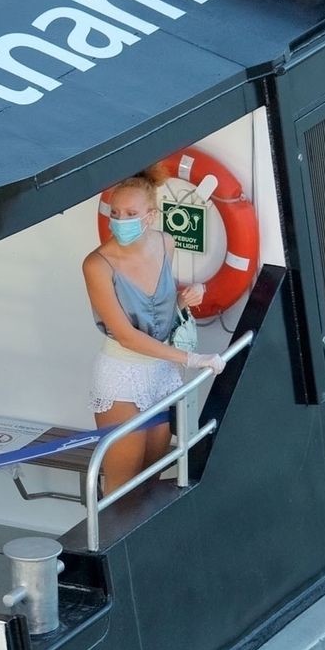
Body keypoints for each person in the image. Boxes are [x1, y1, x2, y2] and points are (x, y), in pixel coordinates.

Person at [82, 171, 226, 493]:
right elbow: (126, 335)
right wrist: (191, 358)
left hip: (161, 373)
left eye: (130, 214)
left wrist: (188, 296)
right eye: (115, 213)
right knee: (121, 485)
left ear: (150, 216)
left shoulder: (165, 243)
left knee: (151, 477)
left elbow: (159, 311)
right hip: (122, 375)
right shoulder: (96, 265)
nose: (120, 221)